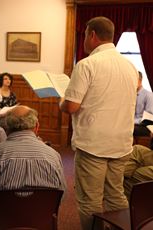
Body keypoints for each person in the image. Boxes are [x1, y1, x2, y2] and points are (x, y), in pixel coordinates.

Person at [59, 16, 138, 230]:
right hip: (121, 142)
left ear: (92, 35)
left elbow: (72, 107)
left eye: (85, 35)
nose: (84, 39)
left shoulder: (87, 65)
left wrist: (61, 102)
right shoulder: (130, 66)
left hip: (94, 143)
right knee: (115, 194)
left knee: (90, 200)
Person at [0, 105, 66, 229]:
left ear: (5, 128)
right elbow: (60, 197)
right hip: (39, 224)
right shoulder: (53, 155)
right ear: (37, 127)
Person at [133, 71, 153, 136]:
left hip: (145, 126)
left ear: (140, 80)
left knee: (128, 129)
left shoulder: (148, 95)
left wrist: (132, 122)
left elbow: (148, 118)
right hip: (133, 124)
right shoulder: (130, 95)